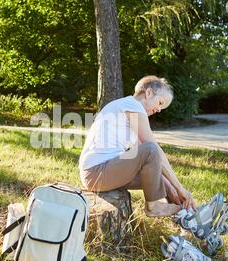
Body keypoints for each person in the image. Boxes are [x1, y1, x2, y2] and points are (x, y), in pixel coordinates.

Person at [79, 75, 196, 217]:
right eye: (160, 103)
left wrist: (171, 187)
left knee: (161, 179)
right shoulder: (132, 106)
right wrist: (180, 188)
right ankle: (153, 207)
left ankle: (186, 213)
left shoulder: (127, 108)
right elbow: (153, 150)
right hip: (97, 173)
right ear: (148, 93)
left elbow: (145, 160)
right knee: (152, 149)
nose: (159, 109)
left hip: (98, 174)